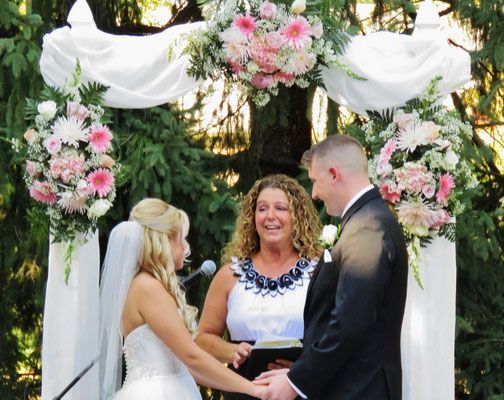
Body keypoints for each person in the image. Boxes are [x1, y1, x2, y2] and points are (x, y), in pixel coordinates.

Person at [255, 135, 409, 400]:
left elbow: (350, 322)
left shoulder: (367, 228)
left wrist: (296, 381)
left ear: (334, 174)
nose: (314, 193)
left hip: (359, 390)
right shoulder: (365, 219)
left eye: (315, 181)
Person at [98, 198, 266, 400]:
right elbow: (192, 356)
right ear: (166, 239)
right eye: (182, 238)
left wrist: (246, 387)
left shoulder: (142, 284)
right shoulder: (148, 287)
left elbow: (188, 367)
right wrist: (254, 389)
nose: (185, 246)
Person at [196, 174, 323, 400]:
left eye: (281, 208)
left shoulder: (318, 272)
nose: (270, 216)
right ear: (252, 217)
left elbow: (335, 336)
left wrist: (302, 365)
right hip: (242, 390)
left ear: (297, 216)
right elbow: (204, 339)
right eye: (262, 208)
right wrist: (231, 351)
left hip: (301, 390)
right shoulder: (229, 275)